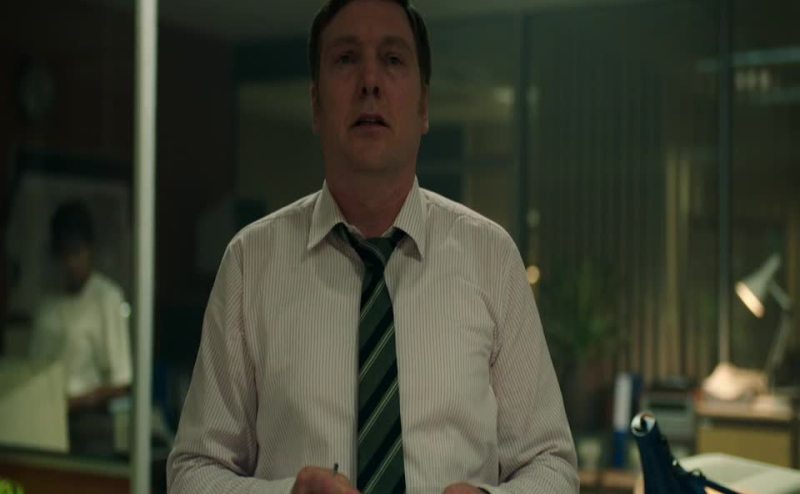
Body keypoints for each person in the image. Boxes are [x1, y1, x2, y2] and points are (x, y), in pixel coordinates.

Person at [167, 0, 578, 492]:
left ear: (424, 106)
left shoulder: (492, 257)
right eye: (346, 59)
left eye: (393, 59)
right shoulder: (250, 262)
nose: (369, 82)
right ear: (316, 105)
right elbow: (192, 470)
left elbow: (552, 465)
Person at [29, 200, 132, 450]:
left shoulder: (106, 298)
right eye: (64, 254)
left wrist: (75, 402)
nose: (71, 263)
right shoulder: (47, 305)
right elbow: (34, 369)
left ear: (90, 250)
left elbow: (121, 383)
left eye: (76, 252)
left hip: (90, 425)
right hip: (45, 420)